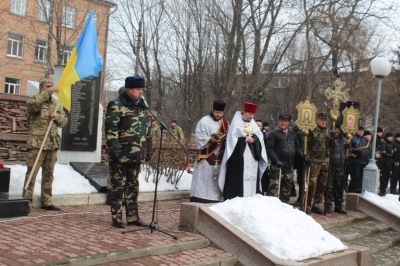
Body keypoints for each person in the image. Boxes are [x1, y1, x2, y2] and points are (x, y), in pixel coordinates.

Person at [105, 75, 152, 229]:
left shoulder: (142, 107)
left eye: (142, 89)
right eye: (138, 89)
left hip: (137, 154)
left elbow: (148, 131)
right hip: (120, 154)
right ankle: (117, 217)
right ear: (129, 89)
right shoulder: (116, 105)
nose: (141, 92)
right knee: (118, 186)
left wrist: (148, 149)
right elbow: (111, 131)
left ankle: (132, 217)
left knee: (133, 186)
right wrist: (114, 150)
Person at [23, 78, 68, 211]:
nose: (51, 88)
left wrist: (57, 117)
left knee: (49, 174)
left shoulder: (56, 103)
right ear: (42, 88)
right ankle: (26, 200)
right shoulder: (35, 99)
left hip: (51, 143)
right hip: (37, 143)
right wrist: (49, 91)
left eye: (52, 86)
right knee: (32, 172)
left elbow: (64, 121)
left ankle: (46, 200)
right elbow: (33, 105)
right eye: (47, 86)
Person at [218, 102, 268, 200]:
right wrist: (245, 139)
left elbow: (260, 138)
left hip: (252, 157)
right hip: (239, 158)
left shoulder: (253, 124)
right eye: (249, 114)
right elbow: (231, 140)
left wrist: (254, 139)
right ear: (244, 112)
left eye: (253, 114)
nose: (251, 116)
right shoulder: (236, 123)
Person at [190, 100, 229, 203]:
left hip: (218, 156)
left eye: (220, 113)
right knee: (203, 180)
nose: (218, 115)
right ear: (212, 110)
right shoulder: (204, 121)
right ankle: (199, 198)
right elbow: (199, 137)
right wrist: (211, 139)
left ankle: (214, 199)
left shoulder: (225, 124)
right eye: (216, 112)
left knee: (214, 182)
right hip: (206, 156)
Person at [266, 114, 303, 203]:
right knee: (274, 187)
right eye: (282, 121)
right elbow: (269, 149)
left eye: (285, 121)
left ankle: (285, 203)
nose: (283, 123)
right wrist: (276, 160)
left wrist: (303, 156)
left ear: (289, 123)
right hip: (277, 165)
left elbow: (297, 148)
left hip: (289, 165)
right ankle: (272, 205)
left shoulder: (292, 134)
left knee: (287, 187)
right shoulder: (273, 134)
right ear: (279, 122)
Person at [305, 112, 332, 215]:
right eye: (321, 119)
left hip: (325, 161)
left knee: (322, 184)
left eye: (325, 120)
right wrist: (307, 155)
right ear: (316, 120)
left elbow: (330, 145)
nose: (323, 121)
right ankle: (307, 203)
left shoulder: (328, 132)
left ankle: (316, 204)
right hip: (315, 161)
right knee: (312, 183)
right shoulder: (312, 131)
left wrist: (333, 138)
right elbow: (306, 144)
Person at [327, 125, 348, 214]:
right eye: (335, 129)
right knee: (330, 187)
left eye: (338, 129)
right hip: (332, 165)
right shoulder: (330, 138)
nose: (336, 131)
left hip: (340, 166)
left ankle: (339, 205)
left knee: (339, 187)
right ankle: (328, 205)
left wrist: (348, 147)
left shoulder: (343, 140)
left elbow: (345, 151)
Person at [348, 128, 372, 193]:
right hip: (355, 161)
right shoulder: (353, 138)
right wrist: (355, 150)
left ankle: (358, 190)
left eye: (362, 131)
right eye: (360, 131)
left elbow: (369, 149)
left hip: (364, 162)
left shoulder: (365, 140)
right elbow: (349, 148)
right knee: (355, 178)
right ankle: (351, 192)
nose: (361, 132)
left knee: (361, 178)